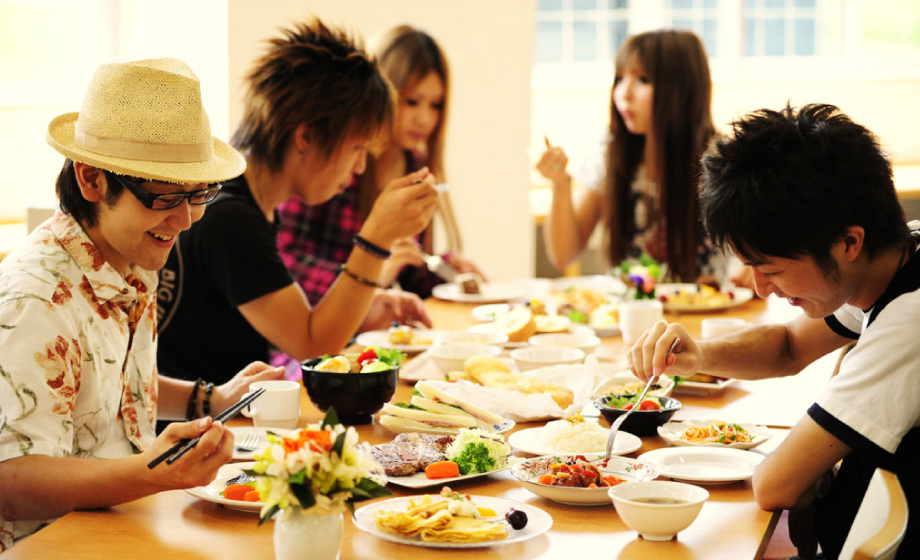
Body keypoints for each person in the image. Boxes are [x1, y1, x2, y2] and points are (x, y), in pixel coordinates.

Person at [0, 58, 284, 550]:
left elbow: (108, 382)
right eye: (163, 197)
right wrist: (152, 472)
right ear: (91, 180)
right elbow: (11, 481)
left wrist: (210, 399)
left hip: (121, 522)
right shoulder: (35, 300)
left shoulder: (129, 257)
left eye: (197, 195)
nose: (187, 220)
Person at [627, 104, 918, 559]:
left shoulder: (911, 318)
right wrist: (698, 355)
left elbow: (774, 486)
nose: (761, 290)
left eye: (771, 269)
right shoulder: (898, 253)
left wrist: (807, 476)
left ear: (849, 242)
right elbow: (787, 347)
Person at [156, 19, 440, 384]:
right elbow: (313, 345)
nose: (359, 167)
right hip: (204, 430)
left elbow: (300, 325)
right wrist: (375, 241)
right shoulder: (229, 217)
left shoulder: (247, 201)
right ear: (306, 136)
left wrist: (364, 310)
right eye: (357, 148)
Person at [275, 24, 485, 306]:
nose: (425, 118)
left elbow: (406, 271)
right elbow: (282, 260)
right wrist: (368, 275)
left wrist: (444, 271)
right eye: (412, 101)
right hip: (311, 329)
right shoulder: (334, 161)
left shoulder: (416, 167)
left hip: (369, 328)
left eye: (435, 105)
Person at [537, 29, 744, 286]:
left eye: (643, 80)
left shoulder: (723, 161)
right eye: (621, 78)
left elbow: (760, 250)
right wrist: (560, 185)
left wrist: (750, 268)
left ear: (682, 88)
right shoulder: (610, 153)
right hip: (630, 315)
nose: (624, 94)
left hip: (705, 317)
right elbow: (564, 255)